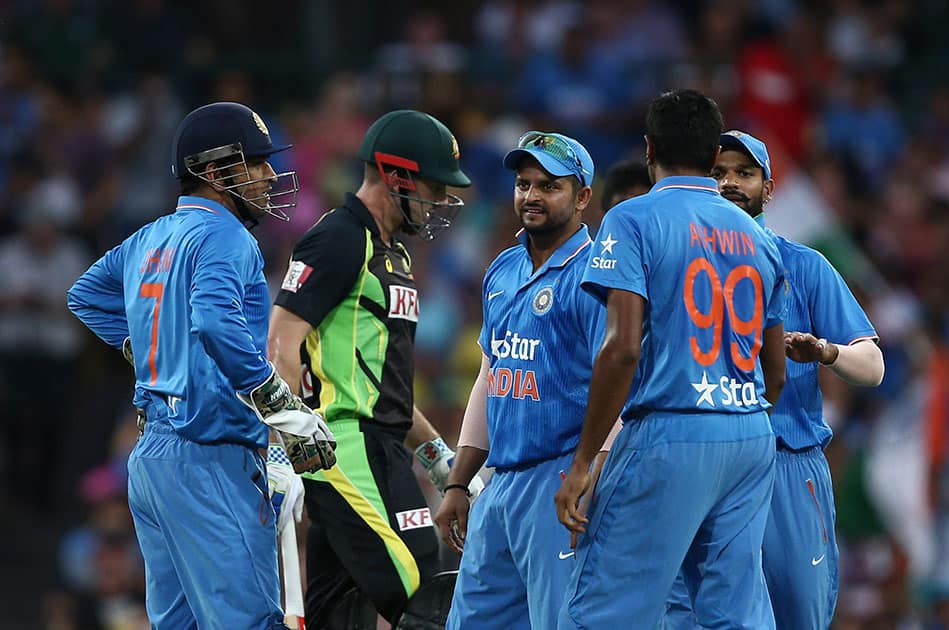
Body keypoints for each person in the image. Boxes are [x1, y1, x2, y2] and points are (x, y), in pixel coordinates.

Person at [67, 101, 336, 629]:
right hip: (210, 456)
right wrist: (282, 407)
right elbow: (214, 321)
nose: (267, 176)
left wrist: (149, 348)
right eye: (254, 163)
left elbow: (85, 295)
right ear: (214, 173)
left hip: (150, 462)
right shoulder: (228, 236)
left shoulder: (149, 237)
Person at [554, 89, 789, 629]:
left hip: (671, 430)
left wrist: (585, 459)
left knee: (604, 612)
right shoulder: (759, 235)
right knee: (732, 614)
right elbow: (775, 372)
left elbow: (622, 348)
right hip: (750, 434)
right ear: (714, 157)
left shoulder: (631, 219)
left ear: (649, 148)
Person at [663, 130, 883, 630]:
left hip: (786, 464)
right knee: (689, 618)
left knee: (797, 615)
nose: (730, 183)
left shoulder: (805, 266)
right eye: (718, 173)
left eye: (745, 173)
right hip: (702, 463)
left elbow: (873, 366)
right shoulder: (677, 265)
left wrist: (827, 352)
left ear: (769, 187)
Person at [267, 109, 474, 628]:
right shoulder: (338, 238)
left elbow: (386, 387)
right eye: (433, 185)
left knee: (341, 614)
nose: (442, 200)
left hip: (380, 448)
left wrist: (431, 452)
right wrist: (282, 442)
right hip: (344, 447)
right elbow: (280, 342)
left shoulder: (394, 255)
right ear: (397, 175)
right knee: (425, 596)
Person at [434, 131, 606, 629]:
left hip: (560, 480)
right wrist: (459, 484)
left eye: (549, 186)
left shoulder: (596, 273)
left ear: (582, 198)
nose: (531, 196)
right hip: (500, 484)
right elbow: (492, 377)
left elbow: (618, 384)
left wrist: (591, 472)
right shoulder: (502, 269)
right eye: (524, 183)